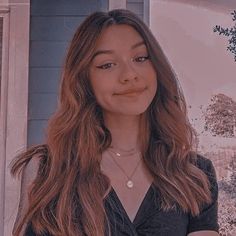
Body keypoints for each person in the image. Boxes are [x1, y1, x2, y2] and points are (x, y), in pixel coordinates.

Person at [11, 9, 219, 236]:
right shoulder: (48, 169)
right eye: (107, 64)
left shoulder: (195, 174)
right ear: (84, 79)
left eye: (140, 58)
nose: (129, 74)